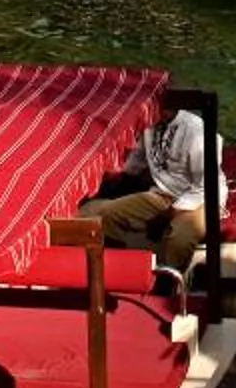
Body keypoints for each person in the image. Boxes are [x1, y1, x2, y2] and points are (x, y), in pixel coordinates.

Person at [78, 107, 226, 282]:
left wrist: (168, 215)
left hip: (202, 199)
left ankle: (168, 288)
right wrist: (103, 184)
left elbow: (202, 187)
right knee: (99, 213)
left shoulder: (197, 132)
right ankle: (113, 272)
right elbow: (135, 162)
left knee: (179, 238)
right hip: (162, 194)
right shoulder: (149, 124)